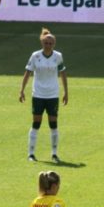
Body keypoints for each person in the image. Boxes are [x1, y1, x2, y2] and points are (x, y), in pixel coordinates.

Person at [19, 27, 68, 164]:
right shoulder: (35, 56)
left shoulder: (58, 56)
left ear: (54, 44)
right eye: (46, 43)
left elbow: (63, 74)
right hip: (38, 94)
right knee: (36, 123)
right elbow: (27, 73)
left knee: (53, 124)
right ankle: (31, 153)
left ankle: (54, 154)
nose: (48, 45)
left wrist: (66, 92)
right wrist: (21, 90)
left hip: (52, 95)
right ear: (42, 43)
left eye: (50, 43)